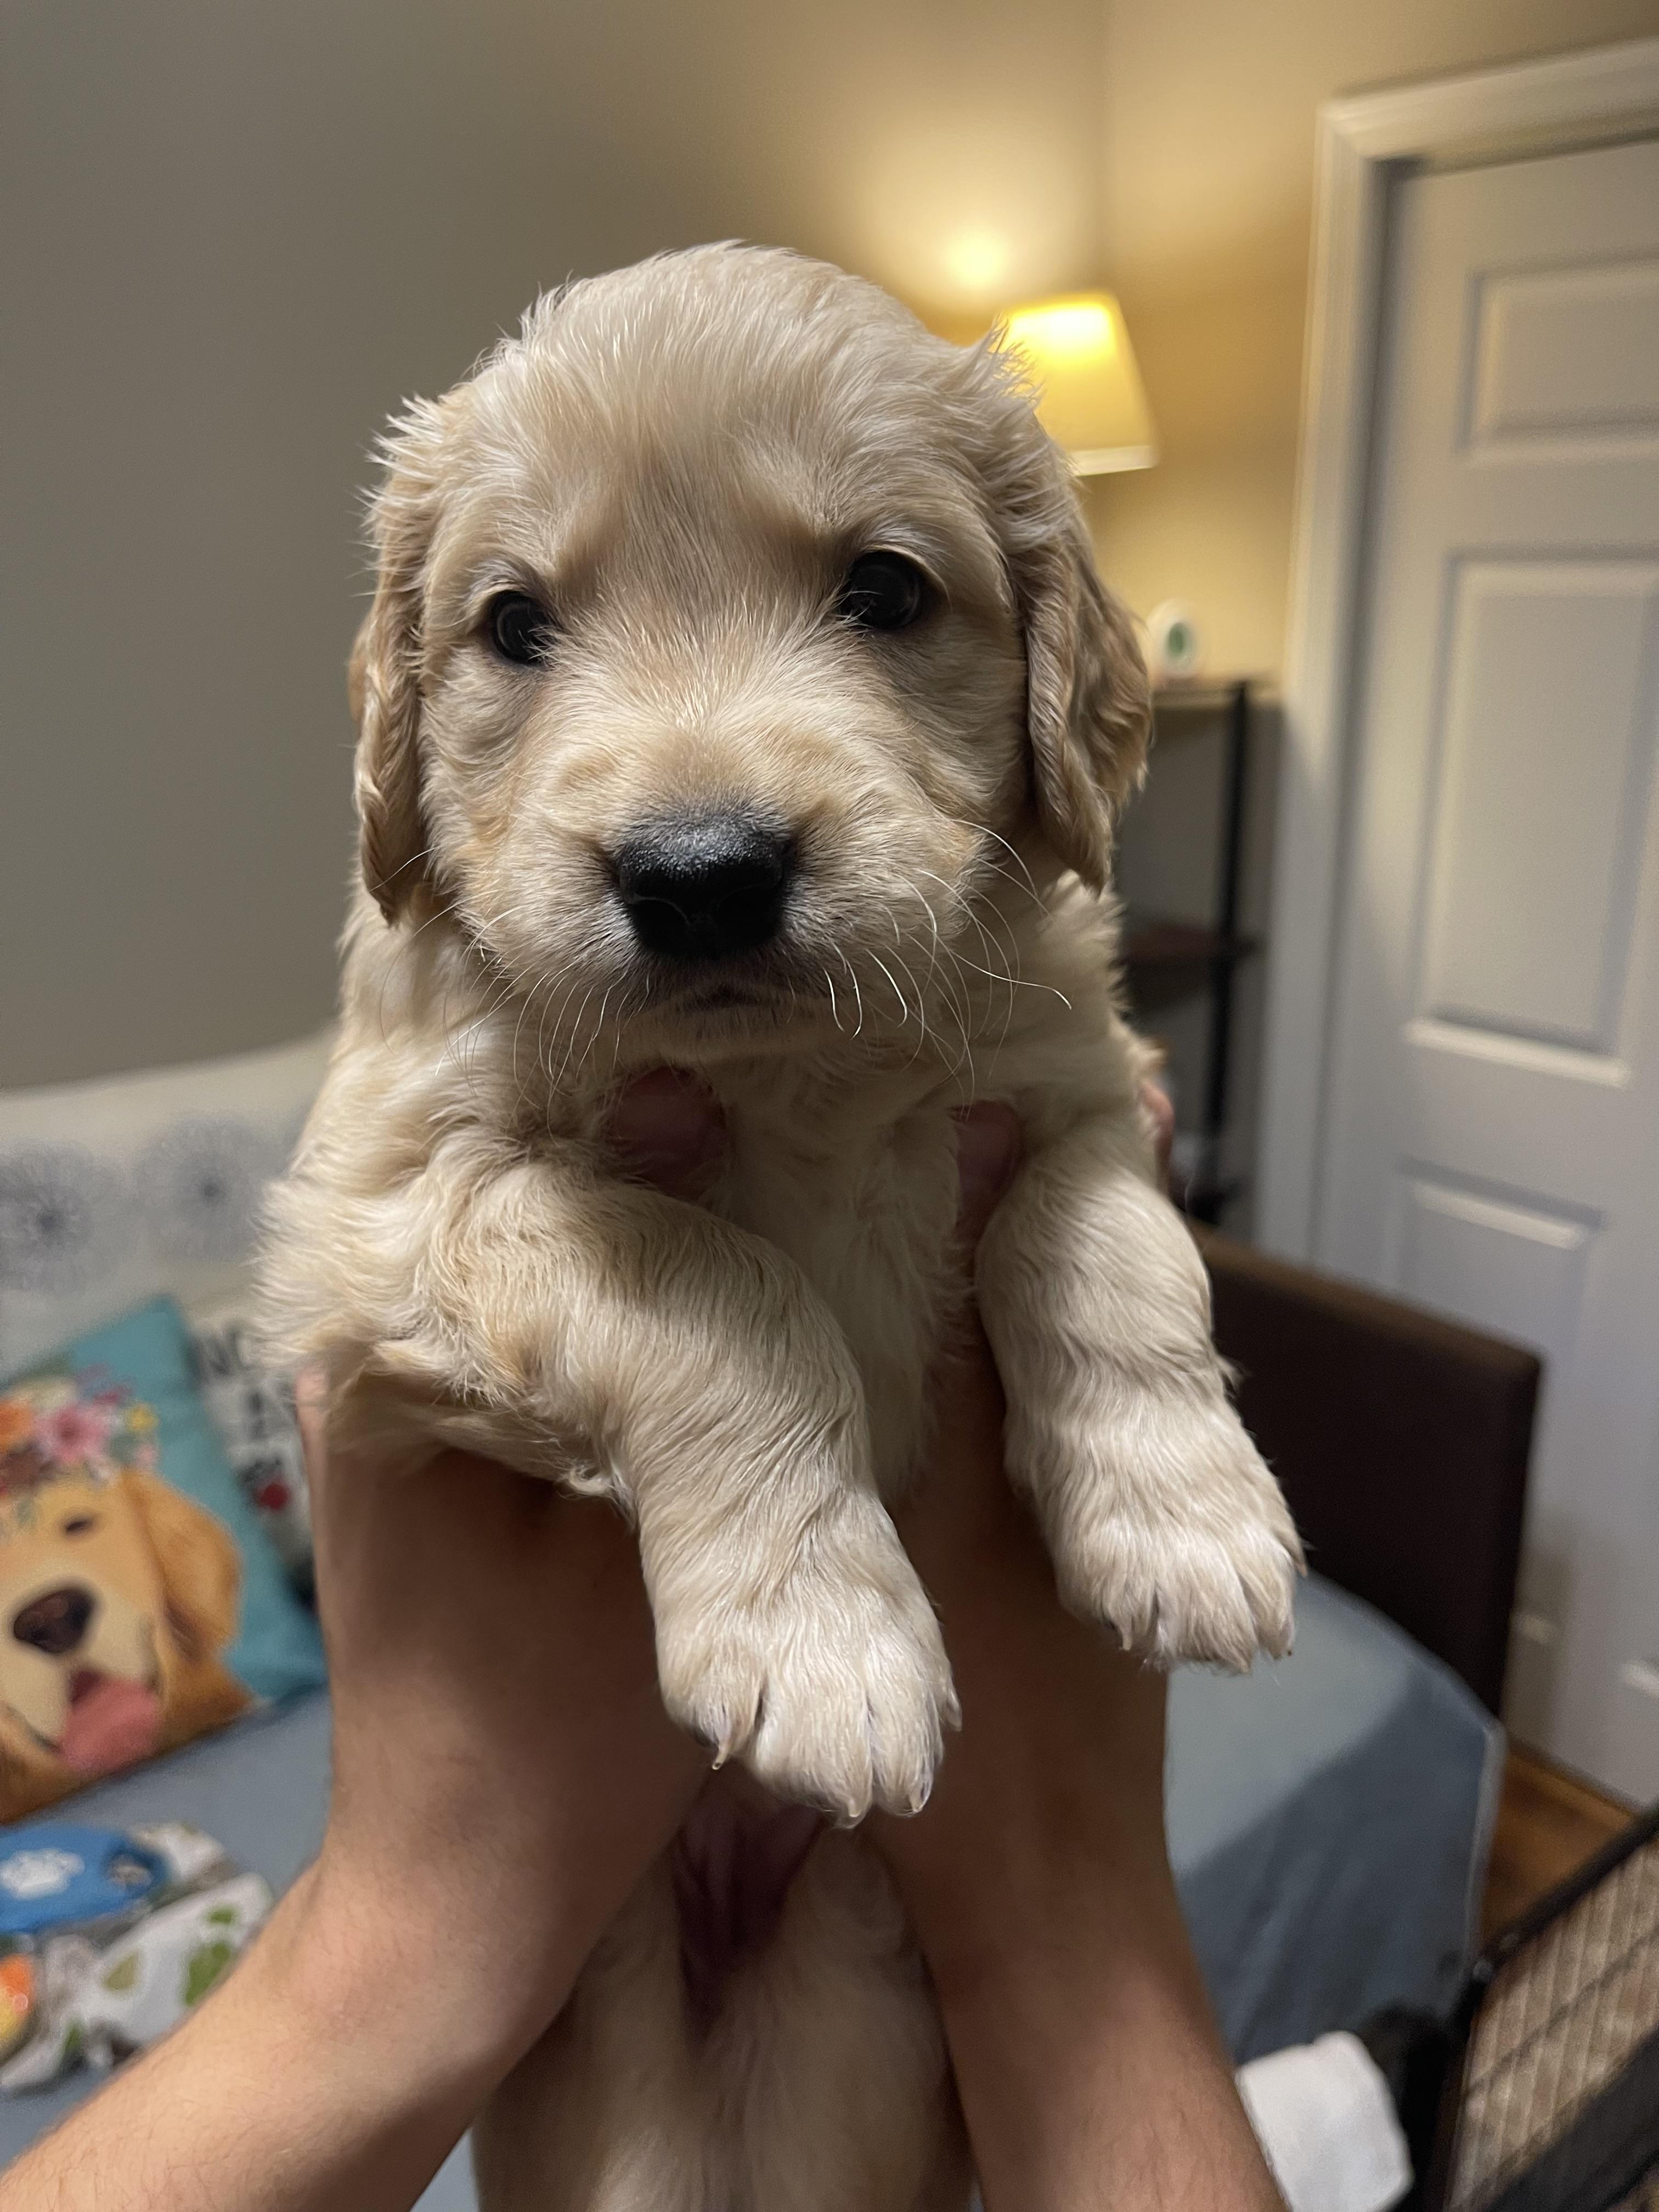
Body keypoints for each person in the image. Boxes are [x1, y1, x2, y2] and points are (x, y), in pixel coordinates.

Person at [0, 1080, 1284, 2212]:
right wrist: (399, 1932)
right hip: (619, 1938)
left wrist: (1127, 1372)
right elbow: (380, 1254)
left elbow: (1091, 1112)